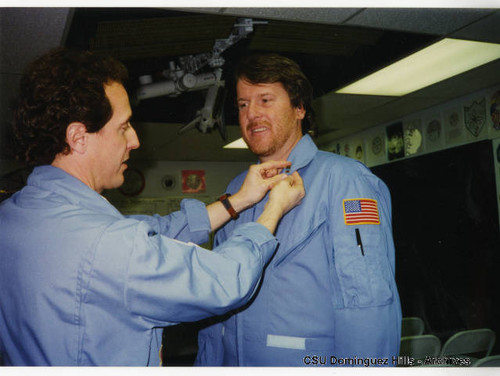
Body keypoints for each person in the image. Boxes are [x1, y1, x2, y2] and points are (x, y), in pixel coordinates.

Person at [0, 48, 305, 366]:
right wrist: (274, 209)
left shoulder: (15, 216)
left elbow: (153, 235)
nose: (134, 140)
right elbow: (226, 280)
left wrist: (240, 200)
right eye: (123, 127)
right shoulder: (105, 243)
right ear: (78, 137)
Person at [196, 53, 402, 366]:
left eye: (265, 99)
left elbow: (367, 303)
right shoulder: (237, 190)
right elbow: (218, 302)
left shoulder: (345, 180)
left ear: (299, 108)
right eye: (242, 104)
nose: (251, 114)